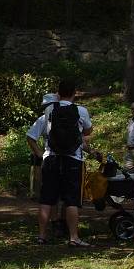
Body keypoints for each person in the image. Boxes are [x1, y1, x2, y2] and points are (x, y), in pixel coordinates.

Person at [30, 79, 94, 247]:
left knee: (47, 198)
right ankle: (73, 238)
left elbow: (39, 132)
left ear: (58, 93)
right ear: (75, 93)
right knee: (72, 200)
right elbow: (88, 132)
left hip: (51, 157)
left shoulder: (50, 109)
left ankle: (42, 236)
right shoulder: (81, 111)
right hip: (73, 159)